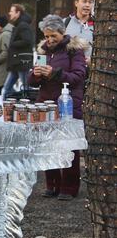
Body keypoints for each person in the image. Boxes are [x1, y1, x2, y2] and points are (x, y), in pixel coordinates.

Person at [28, 15, 88, 201]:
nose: (50, 40)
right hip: (46, 104)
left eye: (53, 35)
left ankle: (69, 187)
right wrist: (36, 74)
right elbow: (31, 82)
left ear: (62, 33)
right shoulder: (44, 52)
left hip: (69, 104)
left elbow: (78, 76)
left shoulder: (74, 51)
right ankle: (52, 185)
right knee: (48, 145)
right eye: (46, 36)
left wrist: (54, 73)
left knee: (69, 146)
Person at [3, 4, 35, 99]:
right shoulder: (19, 25)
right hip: (17, 63)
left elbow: (27, 41)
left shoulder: (23, 25)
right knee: (7, 88)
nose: (9, 13)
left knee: (26, 88)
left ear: (18, 13)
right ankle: (12, 104)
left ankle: (27, 105)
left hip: (21, 62)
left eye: (11, 11)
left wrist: (13, 44)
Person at [64, 0, 94, 65]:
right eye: (84, 1)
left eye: (90, 2)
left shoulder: (98, 25)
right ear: (76, 3)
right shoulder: (65, 22)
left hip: (90, 72)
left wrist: (94, 60)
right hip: (70, 71)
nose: (87, 5)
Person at [0, 16, 13, 95]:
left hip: (3, 68)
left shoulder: (5, 35)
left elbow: (6, 52)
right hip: (3, 68)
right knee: (4, 89)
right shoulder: (4, 34)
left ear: (0, 25)